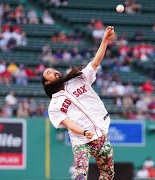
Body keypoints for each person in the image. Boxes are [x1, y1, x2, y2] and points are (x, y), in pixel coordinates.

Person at [42, 26, 116, 180]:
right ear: (47, 83)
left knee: (108, 174)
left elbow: (95, 63)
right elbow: (69, 123)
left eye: (52, 69)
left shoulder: (78, 79)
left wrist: (105, 39)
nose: (52, 71)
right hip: (81, 140)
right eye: (48, 73)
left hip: (100, 134)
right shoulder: (54, 105)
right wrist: (82, 132)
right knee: (81, 175)